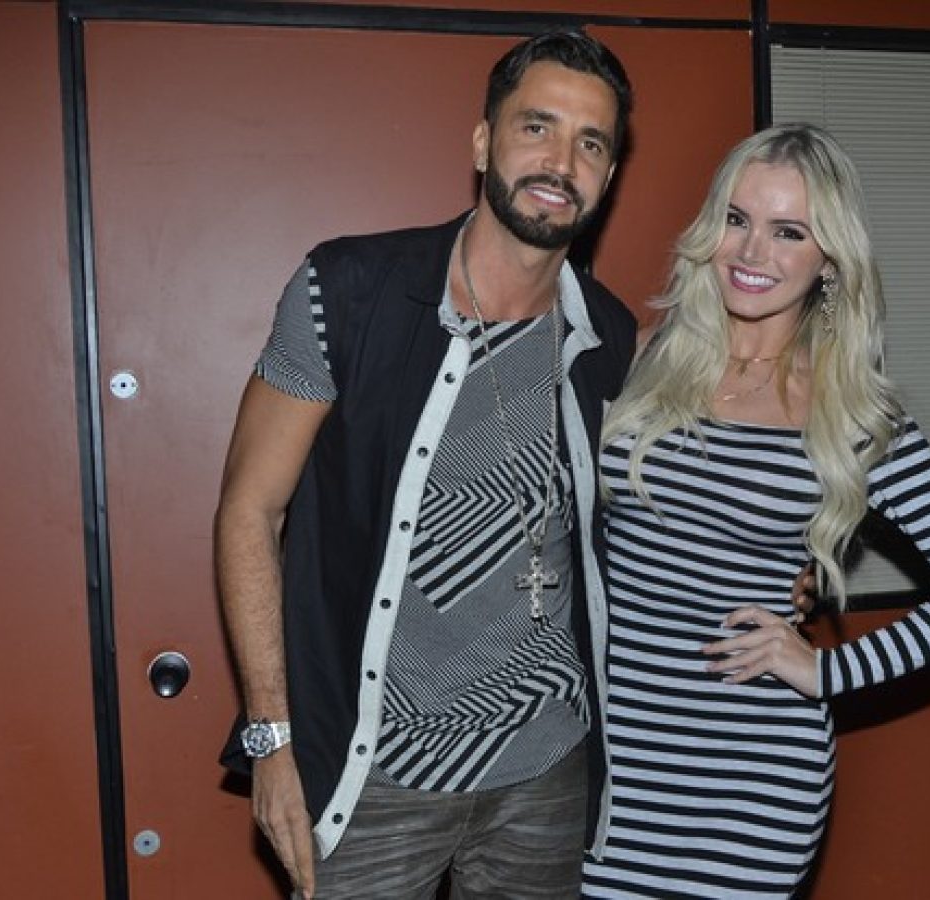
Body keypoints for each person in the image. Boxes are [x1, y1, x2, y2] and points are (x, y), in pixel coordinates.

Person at [215, 31, 637, 899]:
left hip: (545, 768)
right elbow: (249, 512)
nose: (561, 163)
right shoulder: (346, 292)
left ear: (607, 174)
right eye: (537, 127)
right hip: (377, 774)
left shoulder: (609, 338)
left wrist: (778, 568)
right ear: (483, 143)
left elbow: (646, 520)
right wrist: (271, 740)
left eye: (592, 143)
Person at [580, 124, 930, 898]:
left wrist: (825, 671)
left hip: (750, 779)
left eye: (789, 232)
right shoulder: (635, 357)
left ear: (829, 260)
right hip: (609, 760)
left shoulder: (847, 413)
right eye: (737, 219)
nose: (752, 252)